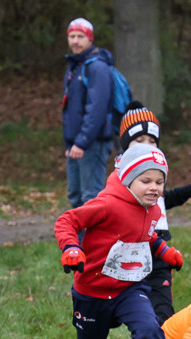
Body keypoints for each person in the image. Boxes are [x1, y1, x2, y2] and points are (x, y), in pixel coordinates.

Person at [55, 144, 191, 339]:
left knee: (153, 332)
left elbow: (145, 235)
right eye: (146, 181)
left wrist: (164, 250)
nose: (154, 188)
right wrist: (71, 247)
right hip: (92, 293)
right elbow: (67, 220)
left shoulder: (152, 209)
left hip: (129, 289)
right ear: (128, 179)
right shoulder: (106, 204)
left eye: (160, 181)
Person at [117, 101, 191, 323]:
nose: (147, 145)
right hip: (131, 254)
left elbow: (164, 200)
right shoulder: (120, 179)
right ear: (125, 145)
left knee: (162, 310)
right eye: (139, 141)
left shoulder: (155, 173)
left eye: (152, 141)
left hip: (160, 255)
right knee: (136, 311)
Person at [62, 17, 115, 207]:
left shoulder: (97, 67)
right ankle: (77, 238)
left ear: (90, 39)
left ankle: (93, 238)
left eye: (80, 36)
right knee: (75, 197)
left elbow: (97, 109)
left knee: (90, 198)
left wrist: (82, 142)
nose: (75, 41)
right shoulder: (75, 67)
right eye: (72, 36)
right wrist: (71, 143)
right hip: (75, 145)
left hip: (92, 143)